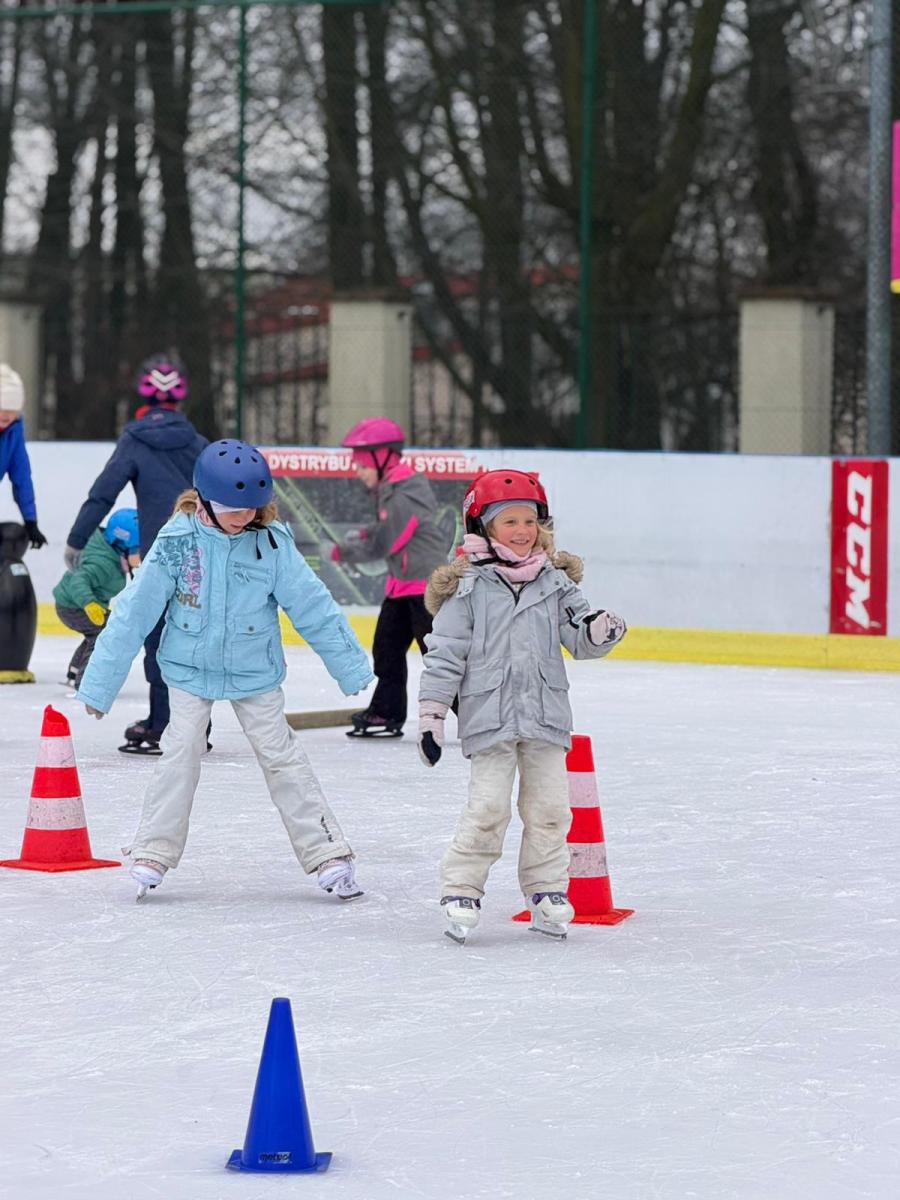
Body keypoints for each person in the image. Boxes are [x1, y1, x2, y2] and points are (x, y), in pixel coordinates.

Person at [76, 438, 374, 901]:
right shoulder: (177, 543)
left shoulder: (272, 543)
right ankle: (153, 851)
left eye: (252, 508)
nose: (243, 517)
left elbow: (313, 605)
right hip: (189, 669)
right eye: (232, 508)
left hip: (254, 671)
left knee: (282, 757)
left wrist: (351, 667)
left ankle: (327, 853)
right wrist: (100, 686)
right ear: (205, 500)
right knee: (180, 752)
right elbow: (135, 611)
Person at [416, 469, 627, 944]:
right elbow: (445, 655)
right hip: (489, 717)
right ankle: (461, 888)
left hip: (545, 715)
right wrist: (431, 717)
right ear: (484, 528)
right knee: (488, 808)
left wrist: (599, 632)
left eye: (529, 520)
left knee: (551, 810)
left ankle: (547, 891)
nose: (522, 531)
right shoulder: (468, 588)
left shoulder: (555, 584)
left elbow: (579, 636)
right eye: (509, 521)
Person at [65, 354, 207, 750]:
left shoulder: (135, 440)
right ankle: (197, 727)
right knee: (194, 638)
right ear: (181, 400)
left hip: (159, 556)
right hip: (204, 557)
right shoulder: (198, 443)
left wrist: (77, 539)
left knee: (159, 638)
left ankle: (163, 723)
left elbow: (103, 492)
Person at [330, 417, 451, 738]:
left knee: (438, 656)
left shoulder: (402, 495)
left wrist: (348, 551)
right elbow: (389, 530)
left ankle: (479, 716)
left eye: (362, 465)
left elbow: (389, 541)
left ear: (382, 458)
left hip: (424, 587)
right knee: (387, 649)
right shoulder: (393, 489)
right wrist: (366, 533)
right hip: (402, 585)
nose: (358, 471)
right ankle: (386, 712)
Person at [53, 508, 140, 689]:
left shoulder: (112, 556)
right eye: (139, 549)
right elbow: (77, 581)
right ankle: (85, 682)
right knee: (102, 635)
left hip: (78, 604)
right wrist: (90, 604)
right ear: (122, 544)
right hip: (73, 605)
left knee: (96, 632)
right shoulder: (102, 563)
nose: (143, 554)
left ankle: (75, 672)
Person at [0, 364, 47, 551]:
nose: (7, 417)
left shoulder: (14, 430)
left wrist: (30, 521)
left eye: (12, 412)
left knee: (14, 538)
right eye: (3, 409)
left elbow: (22, 477)